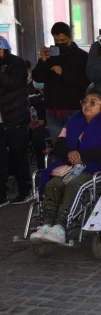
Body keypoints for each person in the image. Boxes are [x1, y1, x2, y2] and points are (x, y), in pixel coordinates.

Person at [29, 89, 101, 243]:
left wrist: (82, 156)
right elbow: (59, 144)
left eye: (93, 103)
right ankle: (47, 224)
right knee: (53, 184)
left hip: (94, 166)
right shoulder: (74, 120)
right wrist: (70, 152)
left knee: (74, 184)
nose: (87, 105)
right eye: (85, 101)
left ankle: (61, 226)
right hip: (70, 166)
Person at [32, 22, 90, 141]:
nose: (59, 43)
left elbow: (85, 82)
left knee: (74, 145)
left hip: (73, 109)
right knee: (58, 147)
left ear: (70, 38)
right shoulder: (50, 55)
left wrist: (63, 73)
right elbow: (37, 77)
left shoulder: (81, 56)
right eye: (56, 40)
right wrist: (42, 61)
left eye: (62, 40)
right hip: (52, 110)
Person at [0, 36, 32, 205]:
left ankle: (25, 189)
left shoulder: (16, 63)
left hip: (15, 117)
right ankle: (2, 195)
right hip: (2, 119)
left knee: (18, 154)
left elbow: (15, 83)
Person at [29, 80, 51, 171]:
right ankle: (41, 169)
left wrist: (45, 121)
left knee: (39, 137)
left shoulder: (54, 95)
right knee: (36, 136)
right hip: (39, 126)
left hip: (54, 125)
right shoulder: (34, 97)